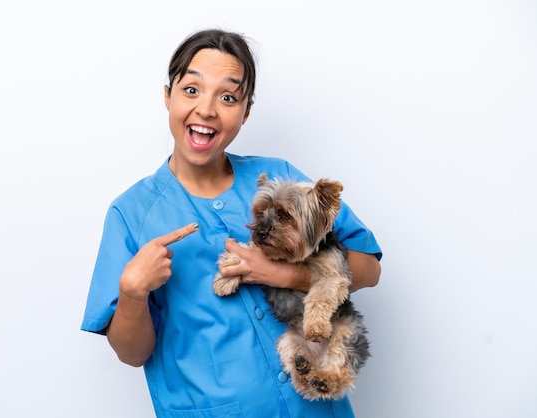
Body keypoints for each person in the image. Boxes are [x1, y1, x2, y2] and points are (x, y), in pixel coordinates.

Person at [81, 28, 382, 418]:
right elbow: (131, 353)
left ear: (246, 111)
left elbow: (369, 268)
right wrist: (132, 293)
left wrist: (284, 274)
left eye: (227, 96)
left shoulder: (281, 178)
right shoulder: (132, 214)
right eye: (191, 90)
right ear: (167, 95)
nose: (206, 109)